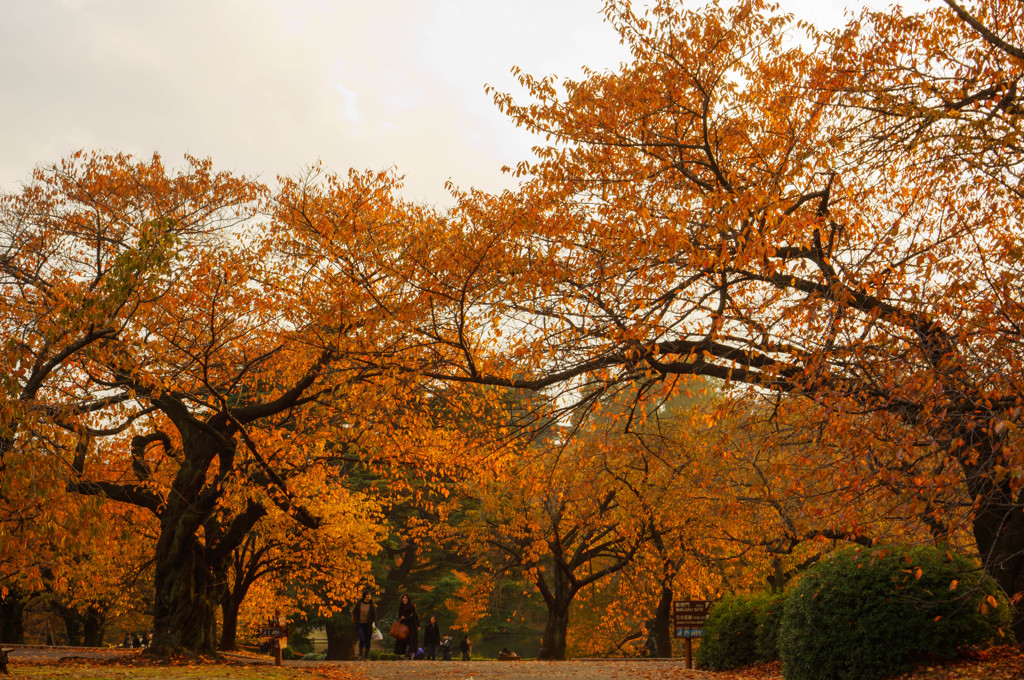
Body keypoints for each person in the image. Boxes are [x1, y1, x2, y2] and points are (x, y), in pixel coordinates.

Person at [352, 587, 377, 661]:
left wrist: (376, 624)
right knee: (362, 638)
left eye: (370, 595)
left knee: (368, 640)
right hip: (360, 624)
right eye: (368, 595)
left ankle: (365, 656)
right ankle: (360, 655)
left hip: (368, 624)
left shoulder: (371, 603)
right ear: (364, 595)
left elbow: (374, 614)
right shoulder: (360, 602)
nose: (369, 596)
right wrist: (357, 620)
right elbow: (354, 612)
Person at [395, 593, 420, 659]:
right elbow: (400, 616)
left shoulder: (411, 606)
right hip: (403, 625)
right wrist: (401, 619)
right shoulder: (401, 606)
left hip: (411, 625)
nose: (405, 599)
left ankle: (408, 654)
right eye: (403, 598)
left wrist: (405, 618)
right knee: (402, 640)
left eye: (406, 598)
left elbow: (413, 616)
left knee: (410, 640)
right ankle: (402, 654)